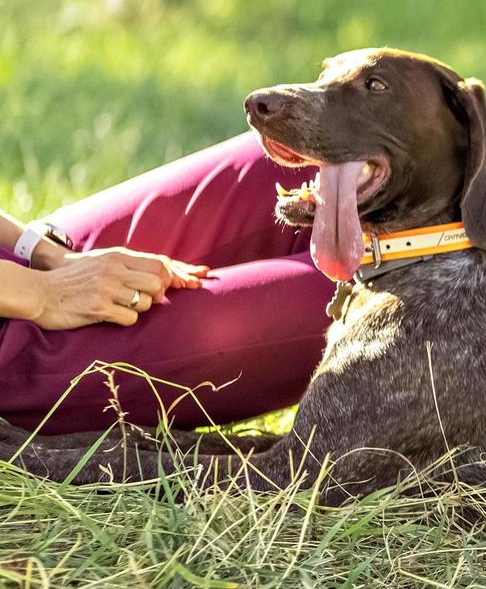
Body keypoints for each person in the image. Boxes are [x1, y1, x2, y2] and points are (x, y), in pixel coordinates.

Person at [0, 134, 335, 434]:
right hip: (15, 344)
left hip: (21, 260)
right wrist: (44, 294)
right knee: (351, 293)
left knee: (315, 153)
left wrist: (39, 251)